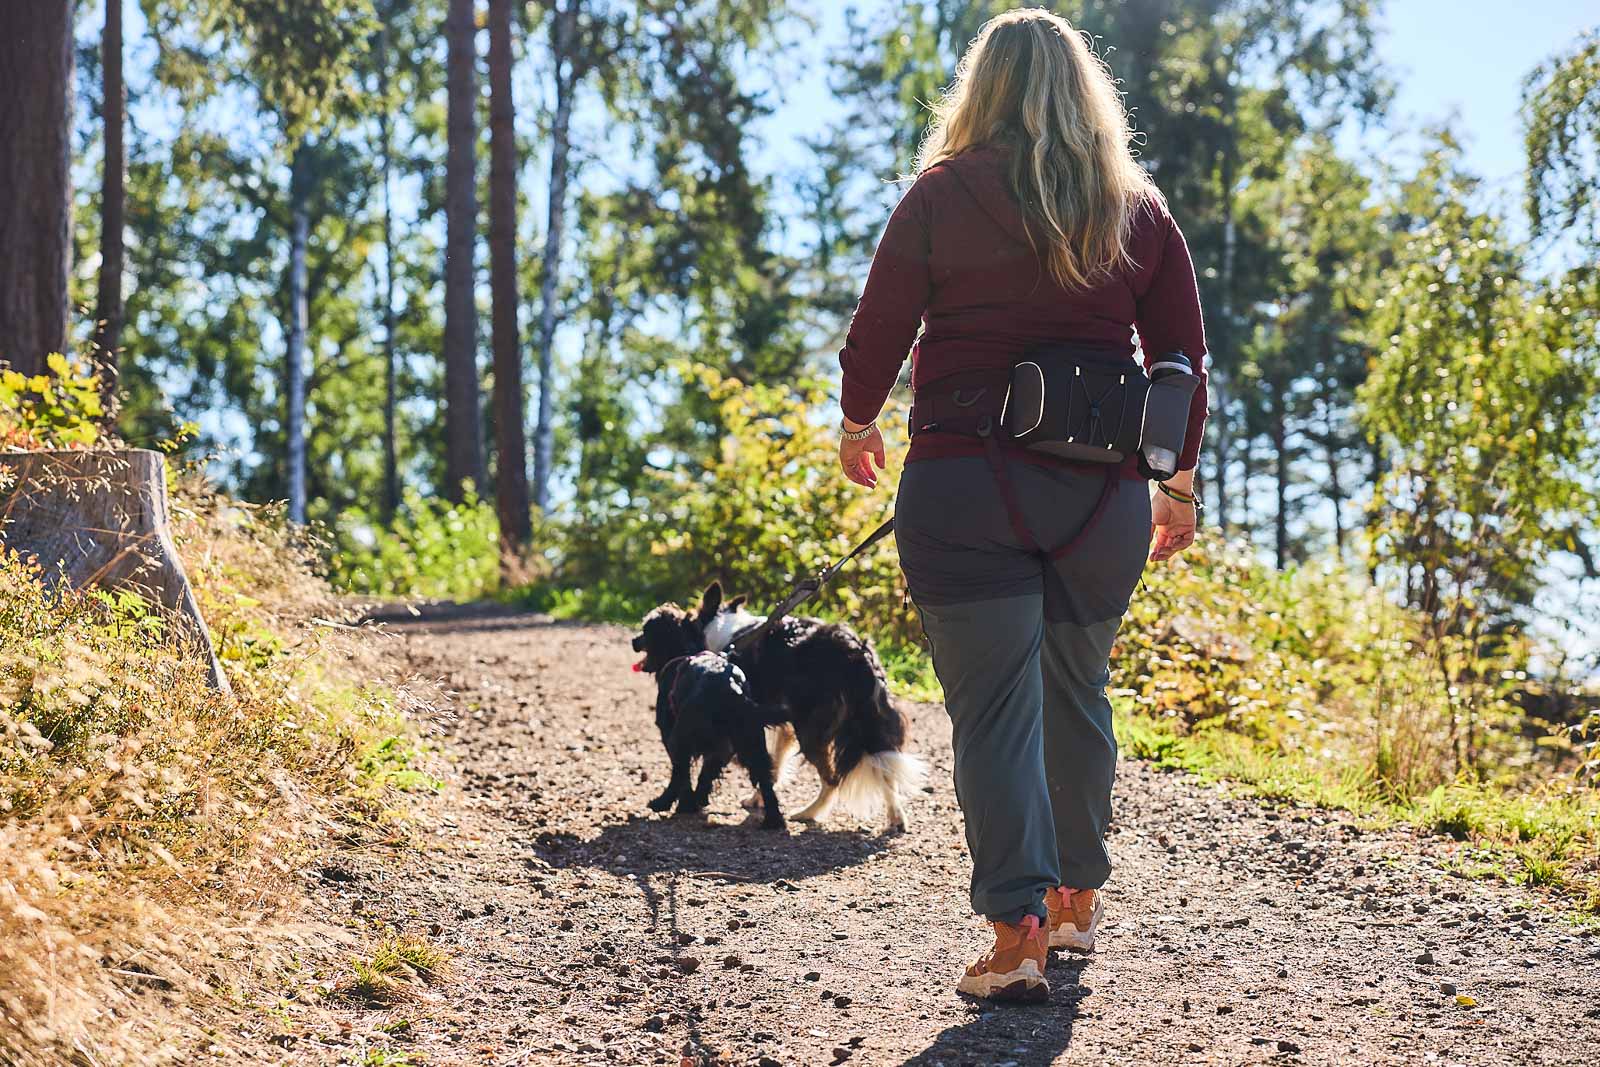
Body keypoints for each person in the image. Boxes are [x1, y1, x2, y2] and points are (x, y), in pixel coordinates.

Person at [835, 9, 1207, 1001]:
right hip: (1103, 499)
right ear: (1086, 93)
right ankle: (1075, 896)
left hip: (965, 489)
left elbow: (877, 329)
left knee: (995, 710)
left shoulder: (940, 196)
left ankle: (1017, 935)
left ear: (979, 90)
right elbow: (1179, 360)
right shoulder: (1136, 210)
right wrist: (1176, 480)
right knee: (1076, 689)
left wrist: (857, 421)